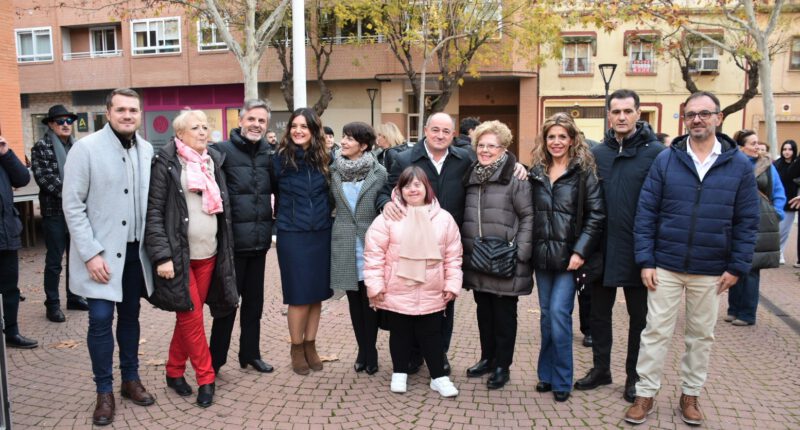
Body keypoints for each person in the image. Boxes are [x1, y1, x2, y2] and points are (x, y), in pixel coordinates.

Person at [625, 91, 760, 426]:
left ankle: (690, 395)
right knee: (654, 332)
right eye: (690, 114)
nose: (697, 120)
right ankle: (645, 394)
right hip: (665, 265)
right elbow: (646, 212)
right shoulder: (667, 159)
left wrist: (736, 266)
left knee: (700, 336)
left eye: (704, 113)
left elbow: (747, 220)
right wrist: (646, 259)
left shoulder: (739, 165)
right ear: (684, 119)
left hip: (711, 269)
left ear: (718, 118)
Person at [62, 88, 156, 426]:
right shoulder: (85, 149)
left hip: (135, 255)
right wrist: (90, 254)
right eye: (121, 109)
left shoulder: (146, 150)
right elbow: (72, 206)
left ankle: (129, 379)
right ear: (108, 111)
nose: (128, 115)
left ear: (139, 114)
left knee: (130, 319)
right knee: (100, 321)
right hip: (100, 258)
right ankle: (104, 392)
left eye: (133, 110)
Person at [574, 89, 664, 403]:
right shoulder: (596, 154)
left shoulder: (656, 154)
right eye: (616, 111)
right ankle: (601, 369)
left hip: (639, 252)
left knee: (640, 320)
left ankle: (633, 377)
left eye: (628, 111)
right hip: (600, 251)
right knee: (598, 316)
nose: (622, 117)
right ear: (609, 115)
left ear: (639, 113)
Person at [145, 110, 238, 408]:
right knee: (192, 317)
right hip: (180, 258)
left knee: (187, 316)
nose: (202, 131)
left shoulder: (212, 161)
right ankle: (206, 378)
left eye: (205, 126)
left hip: (209, 253)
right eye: (195, 127)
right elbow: (154, 213)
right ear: (180, 134)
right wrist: (161, 256)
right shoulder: (167, 162)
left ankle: (174, 371)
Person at [376, 112, 476, 375]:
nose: (440, 135)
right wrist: (386, 204)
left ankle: (438, 354)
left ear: (453, 134)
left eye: (446, 131)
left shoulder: (464, 159)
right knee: (411, 300)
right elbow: (387, 190)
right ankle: (413, 355)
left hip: (446, 241)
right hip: (412, 242)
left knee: (444, 301)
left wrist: (517, 166)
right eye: (435, 130)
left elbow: (492, 165)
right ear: (425, 130)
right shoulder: (405, 159)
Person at [364, 166, 462, 397]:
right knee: (400, 334)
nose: (412, 189)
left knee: (432, 335)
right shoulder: (387, 218)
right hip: (397, 288)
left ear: (426, 187)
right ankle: (399, 372)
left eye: (418, 184)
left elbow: (453, 255)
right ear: (399, 190)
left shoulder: (444, 219)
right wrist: (375, 287)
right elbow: (374, 255)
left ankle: (438, 377)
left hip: (432, 289)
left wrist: (452, 285)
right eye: (407, 185)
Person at [529, 113, 605, 402]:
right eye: (551, 137)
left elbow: (597, 215)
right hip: (542, 258)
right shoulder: (536, 171)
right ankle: (546, 375)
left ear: (572, 140)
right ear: (544, 140)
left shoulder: (584, 172)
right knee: (547, 317)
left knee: (560, 315)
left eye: (562, 136)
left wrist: (580, 251)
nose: (557, 142)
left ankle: (562, 378)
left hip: (569, 259)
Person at [461, 121, 533, 390]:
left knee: (504, 317)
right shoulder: (472, 175)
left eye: (492, 145)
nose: (485, 150)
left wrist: (521, 253)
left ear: (503, 149)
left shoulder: (516, 178)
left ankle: (503, 366)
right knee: (484, 313)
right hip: (478, 258)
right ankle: (487, 358)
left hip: (506, 258)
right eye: (481, 145)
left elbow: (528, 216)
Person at [209, 99, 275, 375]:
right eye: (252, 119)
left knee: (254, 306)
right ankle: (215, 361)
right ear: (240, 120)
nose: (256, 125)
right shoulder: (220, 153)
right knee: (226, 305)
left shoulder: (270, 154)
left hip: (258, 244)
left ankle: (250, 354)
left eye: (261, 121)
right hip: (231, 246)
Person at [271, 108, 333, 375]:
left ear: (313, 130)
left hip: (320, 232)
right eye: (294, 126)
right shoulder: (279, 160)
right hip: (292, 233)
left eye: (303, 126)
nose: (298, 130)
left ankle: (311, 345)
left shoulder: (325, 160)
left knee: (316, 294)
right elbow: (271, 192)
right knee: (298, 295)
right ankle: (296, 348)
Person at [330, 122, 387, 375]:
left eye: (350, 138)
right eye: (343, 137)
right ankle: (361, 350)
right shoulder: (333, 170)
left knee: (370, 299)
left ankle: (371, 351)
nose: (343, 141)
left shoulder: (380, 173)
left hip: (370, 242)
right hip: (343, 242)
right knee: (353, 299)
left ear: (363, 145)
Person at [31, 104, 89, 323]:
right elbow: (44, 179)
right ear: (51, 125)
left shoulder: (78, 147)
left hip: (76, 213)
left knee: (76, 257)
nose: (66, 125)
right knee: (55, 260)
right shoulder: (41, 146)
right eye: (61, 122)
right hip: (55, 212)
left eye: (69, 121)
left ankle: (74, 296)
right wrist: (73, 195)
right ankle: (52, 304)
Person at [724, 130, 784, 327]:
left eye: (758, 143)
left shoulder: (766, 166)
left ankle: (747, 313)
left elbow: (778, 191)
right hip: (736, 220)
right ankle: (733, 309)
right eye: (753, 143)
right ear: (741, 147)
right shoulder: (733, 164)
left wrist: (776, 214)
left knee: (751, 266)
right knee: (735, 263)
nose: (757, 147)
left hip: (761, 221)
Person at [0, 132, 38, 349]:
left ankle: (11, 331)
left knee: (10, 288)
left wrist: (6, 153)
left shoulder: (2, 156)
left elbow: (22, 178)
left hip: (7, 234)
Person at [773, 139, 800, 266]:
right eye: (784, 149)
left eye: (790, 149)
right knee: (777, 229)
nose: (787, 152)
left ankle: (779, 252)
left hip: (792, 202)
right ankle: (776, 251)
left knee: (785, 230)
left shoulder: (796, 165)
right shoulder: (777, 164)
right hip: (778, 201)